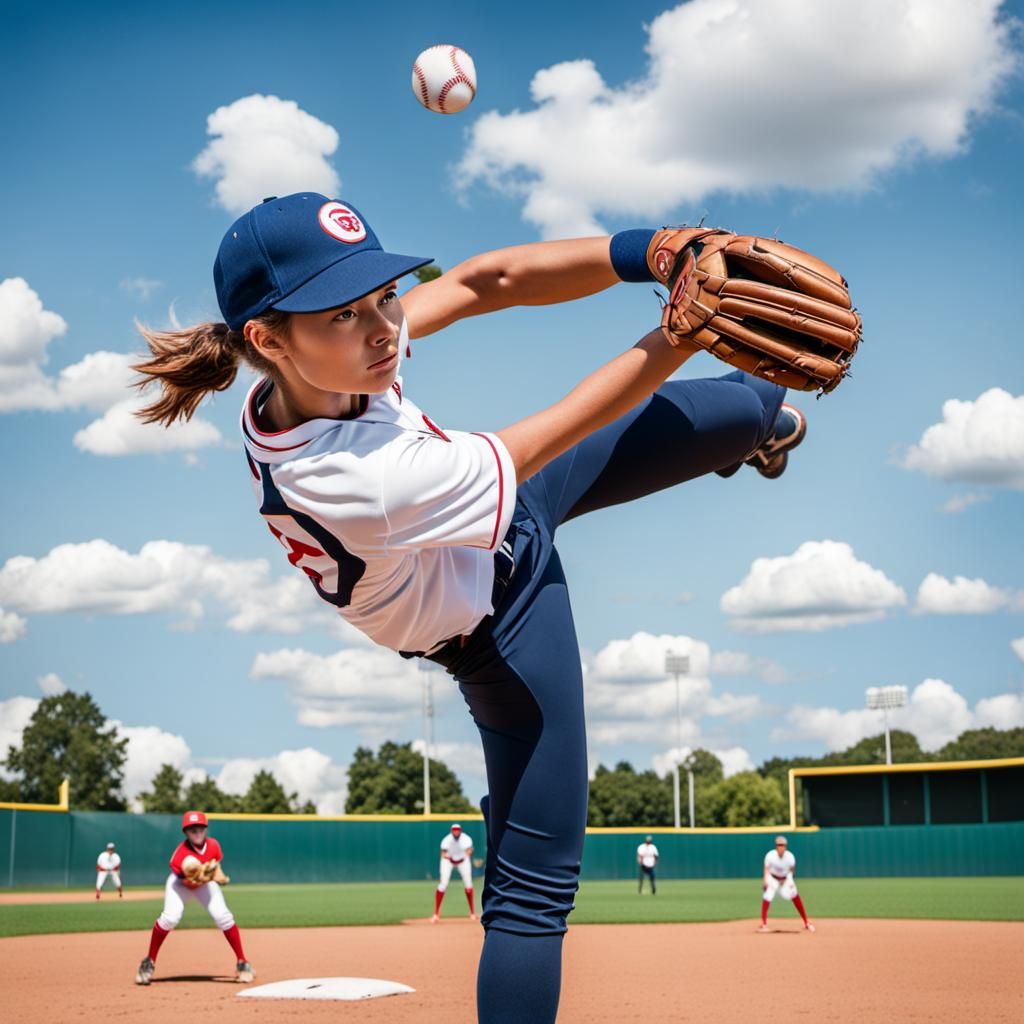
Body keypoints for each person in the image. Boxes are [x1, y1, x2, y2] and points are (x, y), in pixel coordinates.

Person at [134, 193, 806, 1023]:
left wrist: (656, 250)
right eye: (344, 311)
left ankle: (759, 428)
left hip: (497, 515)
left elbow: (488, 279)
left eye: (382, 294)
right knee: (533, 890)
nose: (382, 325)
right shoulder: (352, 481)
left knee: (752, 404)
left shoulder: (324, 367)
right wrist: (681, 328)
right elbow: (553, 433)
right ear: (269, 339)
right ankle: (751, 424)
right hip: (498, 623)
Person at [134, 810, 255, 985]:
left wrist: (216, 876)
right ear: (186, 832)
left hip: (204, 885)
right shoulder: (179, 855)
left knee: (224, 917)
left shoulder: (213, 845)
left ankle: (242, 962)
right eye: (192, 829)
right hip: (180, 886)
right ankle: (149, 962)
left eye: (200, 828)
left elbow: (215, 865)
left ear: (205, 829)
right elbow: (187, 881)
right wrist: (199, 876)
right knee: (170, 918)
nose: (197, 832)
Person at [759, 835, 814, 933]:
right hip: (773, 878)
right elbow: (766, 869)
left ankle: (806, 923)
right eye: (779, 845)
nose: (781, 847)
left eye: (783, 845)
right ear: (776, 846)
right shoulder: (770, 855)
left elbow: (791, 871)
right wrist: (765, 881)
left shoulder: (790, 857)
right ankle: (764, 923)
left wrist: (789, 881)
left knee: (795, 895)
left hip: (785, 879)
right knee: (767, 896)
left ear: (786, 846)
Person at [433, 822, 476, 923]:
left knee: (468, 885)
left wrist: (463, 856)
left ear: (460, 830)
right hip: (448, 861)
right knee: (443, 884)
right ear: (451, 831)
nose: (456, 831)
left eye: (458, 830)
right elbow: (443, 853)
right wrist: (450, 858)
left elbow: (470, 850)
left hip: (463, 860)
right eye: (454, 830)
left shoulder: (466, 838)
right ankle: (436, 913)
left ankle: (472, 912)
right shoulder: (446, 840)